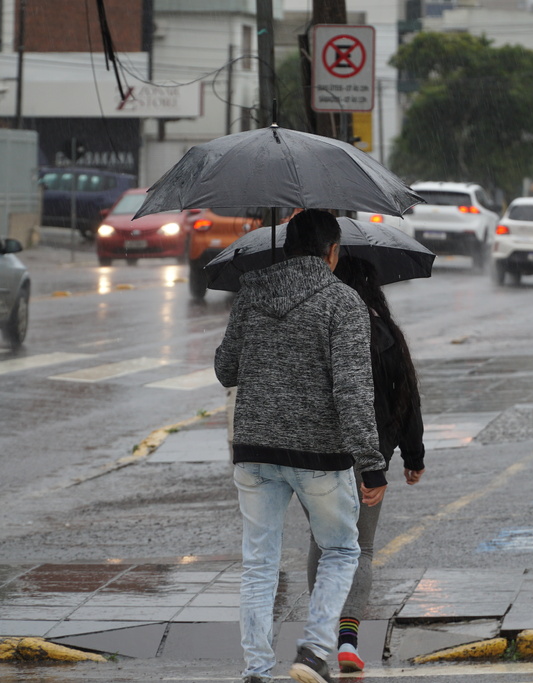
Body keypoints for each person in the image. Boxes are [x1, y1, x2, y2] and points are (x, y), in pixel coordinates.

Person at [215, 209, 389, 683]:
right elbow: (353, 393)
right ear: (332, 252)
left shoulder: (251, 290)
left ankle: (256, 671)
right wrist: (372, 465)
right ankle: (313, 652)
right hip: (319, 455)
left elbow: (225, 369)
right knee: (341, 550)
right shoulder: (343, 302)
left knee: (259, 563)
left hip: (254, 449)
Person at [307, 255, 426, 674]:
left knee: (323, 545)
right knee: (360, 548)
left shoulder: (321, 325)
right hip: (371, 455)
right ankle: (348, 642)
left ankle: (318, 640)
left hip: (321, 454)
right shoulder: (385, 332)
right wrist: (413, 456)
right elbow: (406, 396)